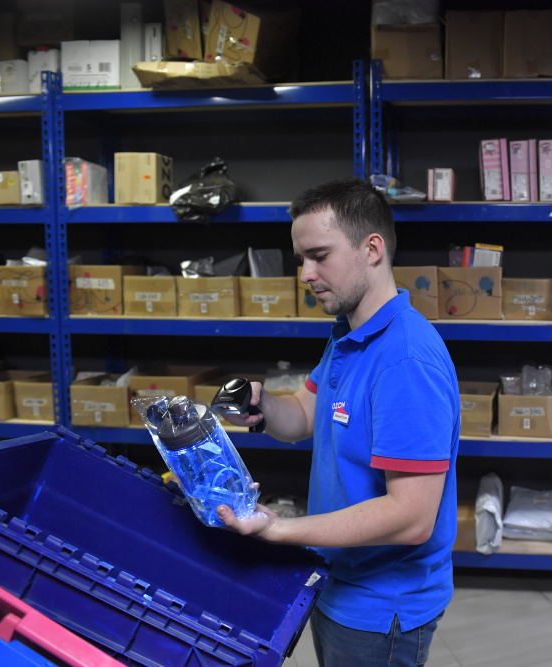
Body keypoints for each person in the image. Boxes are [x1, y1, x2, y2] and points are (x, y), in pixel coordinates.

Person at [217, 177, 460, 667]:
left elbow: (412, 518)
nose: (305, 274)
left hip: (378, 609)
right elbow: (307, 413)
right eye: (301, 259)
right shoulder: (351, 335)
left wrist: (279, 530)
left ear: (372, 249)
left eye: (319, 256)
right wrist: (263, 407)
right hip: (337, 581)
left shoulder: (405, 361)